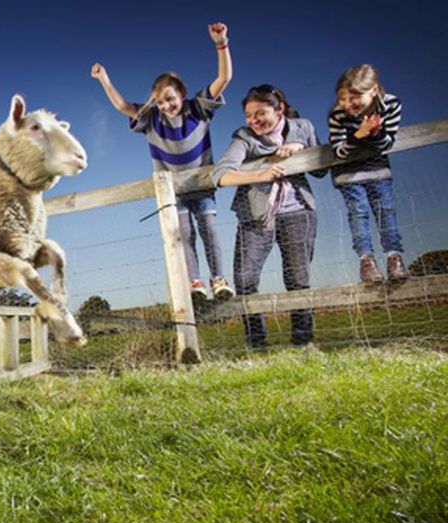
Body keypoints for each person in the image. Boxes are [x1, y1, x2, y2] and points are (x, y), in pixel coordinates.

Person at [91, 23, 235, 303]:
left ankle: (219, 279)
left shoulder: (198, 108)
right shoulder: (151, 120)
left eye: (170, 99)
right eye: (160, 102)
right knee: (184, 235)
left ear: (182, 94)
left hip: (201, 185)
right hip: (172, 191)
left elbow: (225, 77)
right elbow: (123, 106)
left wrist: (222, 43)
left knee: (209, 230)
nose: (166, 106)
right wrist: (104, 80)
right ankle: (195, 283)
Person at [212, 85, 327, 348]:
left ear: (280, 109)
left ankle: (303, 343)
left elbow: (321, 170)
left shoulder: (303, 127)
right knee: (245, 280)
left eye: (260, 113)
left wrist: (301, 148)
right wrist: (261, 173)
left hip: (298, 210)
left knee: (298, 278)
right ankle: (257, 343)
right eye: (249, 115)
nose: (254, 121)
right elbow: (219, 175)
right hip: (255, 213)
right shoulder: (244, 138)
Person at [328, 64, 408, 283]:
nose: (347, 104)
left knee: (386, 211)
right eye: (342, 98)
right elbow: (339, 150)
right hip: (348, 174)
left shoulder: (391, 104)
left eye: (354, 97)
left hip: (377, 168)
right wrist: (359, 135)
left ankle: (394, 258)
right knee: (359, 212)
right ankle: (367, 262)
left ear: (373, 90)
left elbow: (387, 142)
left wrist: (375, 133)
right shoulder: (337, 114)